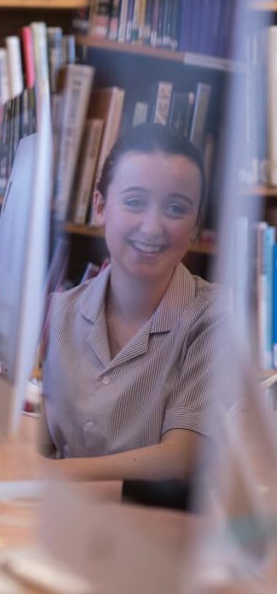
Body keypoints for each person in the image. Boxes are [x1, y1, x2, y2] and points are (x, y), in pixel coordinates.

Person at [41, 123, 227, 482]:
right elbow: (41, 438)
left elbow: (180, 459)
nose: (152, 227)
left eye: (175, 208)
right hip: (58, 509)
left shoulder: (214, 318)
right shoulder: (62, 312)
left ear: (195, 223)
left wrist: (48, 476)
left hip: (147, 519)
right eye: (134, 202)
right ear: (100, 206)